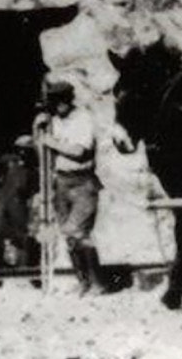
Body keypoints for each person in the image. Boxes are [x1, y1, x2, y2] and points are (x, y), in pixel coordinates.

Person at [34, 81, 135, 294]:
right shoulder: (53, 122)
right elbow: (43, 152)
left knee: (78, 232)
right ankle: (84, 281)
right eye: (53, 102)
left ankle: (98, 282)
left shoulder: (83, 119)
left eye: (59, 101)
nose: (57, 106)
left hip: (82, 182)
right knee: (68, 235)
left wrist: (49, 141)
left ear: (68, 100)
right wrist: (38, 132)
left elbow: (79, 151)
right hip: (61, 182)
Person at [0, 134, 39, 268]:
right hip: (3, 200)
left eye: (26, 150)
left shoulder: (33, 169)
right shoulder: (7, 161)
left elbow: (33, 190)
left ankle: (24, 267)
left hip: (19, 203)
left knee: (21, 235)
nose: (22, 152)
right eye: (20, 149)